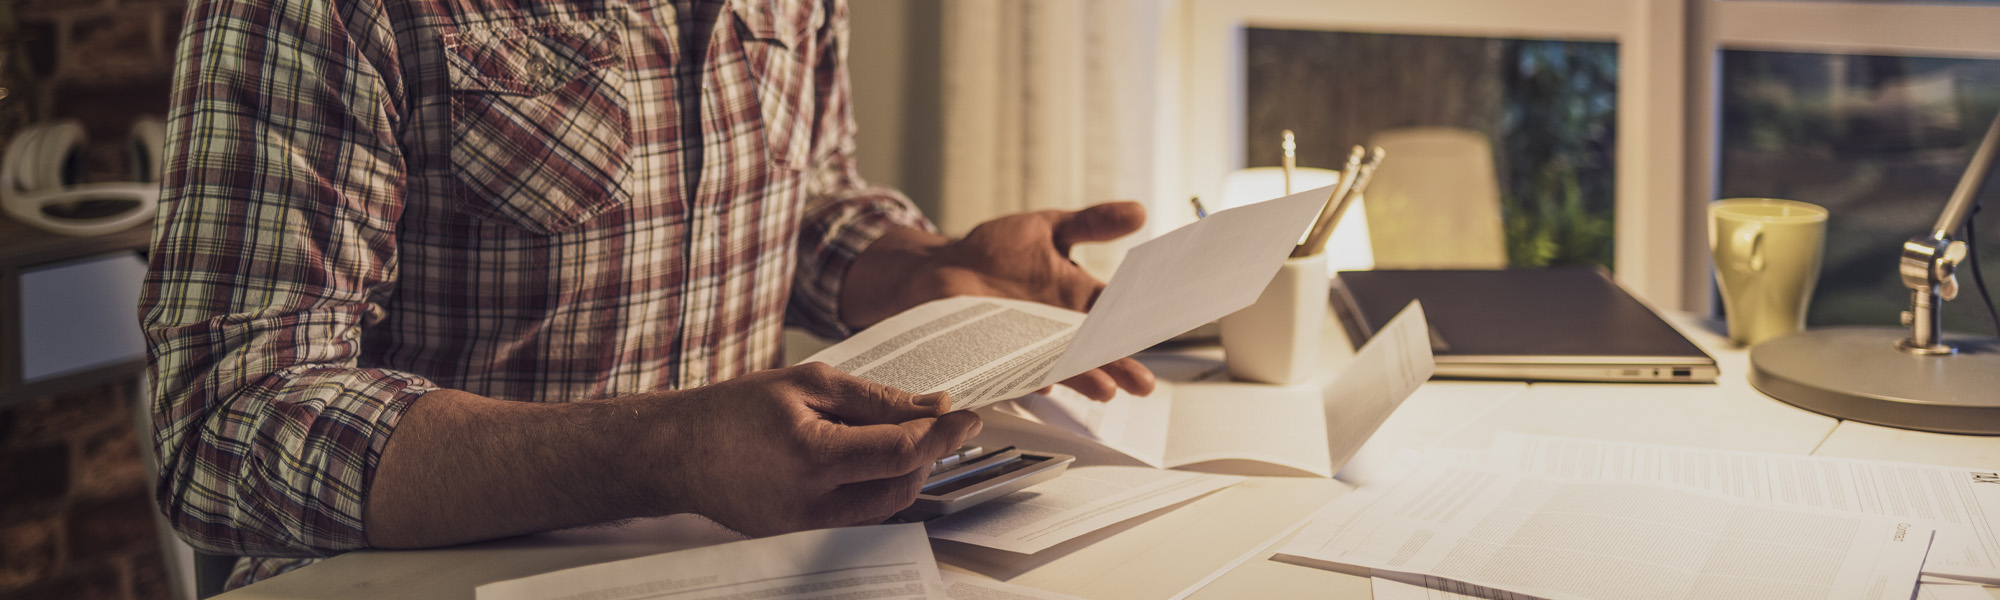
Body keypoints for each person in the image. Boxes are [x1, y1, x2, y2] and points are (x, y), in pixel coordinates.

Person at [140, 0, 1155, 588]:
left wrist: (918, 269)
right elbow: (224, 430)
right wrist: (664, 451)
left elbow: (803, 198)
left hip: (735, 563)